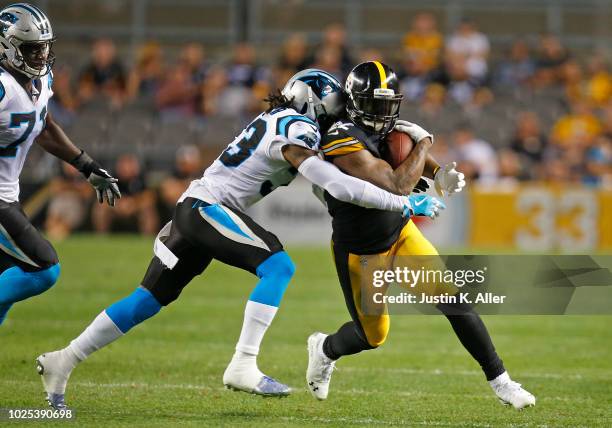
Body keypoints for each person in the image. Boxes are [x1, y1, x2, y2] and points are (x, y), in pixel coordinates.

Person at [37, 69, 426, 409]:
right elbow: (335, 185)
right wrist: (401, 203)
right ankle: (243, 362)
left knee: (147, 300)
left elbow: (329, 187)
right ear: (313, 102)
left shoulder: (278, 121)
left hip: (195, 206)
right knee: (278, 266)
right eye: (334, 104)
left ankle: (62, 360)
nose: (339, 112)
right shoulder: (297, 126)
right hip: (206, 208)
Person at [305, 61, 535, 410]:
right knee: (373, 335)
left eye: (387, 105)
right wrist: (424, 143)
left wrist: (439, 171)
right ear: (354, 102)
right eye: (373, 105)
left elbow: (402, 152)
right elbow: (395, 183)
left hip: (399, 231)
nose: (382, 114)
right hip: (362, 250)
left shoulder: (389, 129)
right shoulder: (341, 138)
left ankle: (501, 381)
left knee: (454, 300)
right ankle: (324, 348)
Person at [0, 3, 120, 325]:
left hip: (8, 195)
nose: (41, 56)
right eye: (32, 49)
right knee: (44, 268)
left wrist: (86, 165)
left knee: (14, 274)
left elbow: (43, 125)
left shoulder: (39, 83)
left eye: (44, 48)